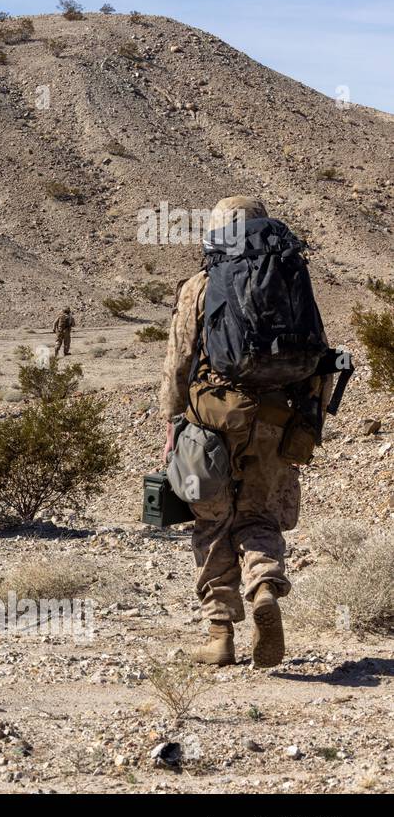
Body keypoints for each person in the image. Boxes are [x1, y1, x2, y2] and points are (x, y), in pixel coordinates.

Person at [160, 196, 331, 669]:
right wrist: (307, 422)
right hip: (275, 425)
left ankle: (220, 635)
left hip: (212, 424)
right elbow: (319, 360)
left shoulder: (201, 284)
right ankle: (263, 588)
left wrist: (173, 425)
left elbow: (178, 361)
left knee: (212, 524)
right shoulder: (290, 281)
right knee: (259, 518)